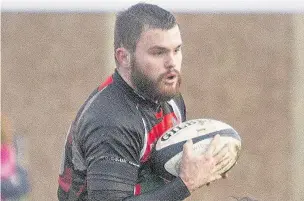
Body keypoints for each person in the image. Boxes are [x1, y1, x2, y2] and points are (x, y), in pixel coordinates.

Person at [58, 3, 233, 201]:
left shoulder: (170, 99)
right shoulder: (111, 121)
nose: (172, 63)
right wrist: (187, 182)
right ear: (124, 57)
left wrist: (202, 164)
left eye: (177, 50)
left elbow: (159, 170)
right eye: (158, 53)